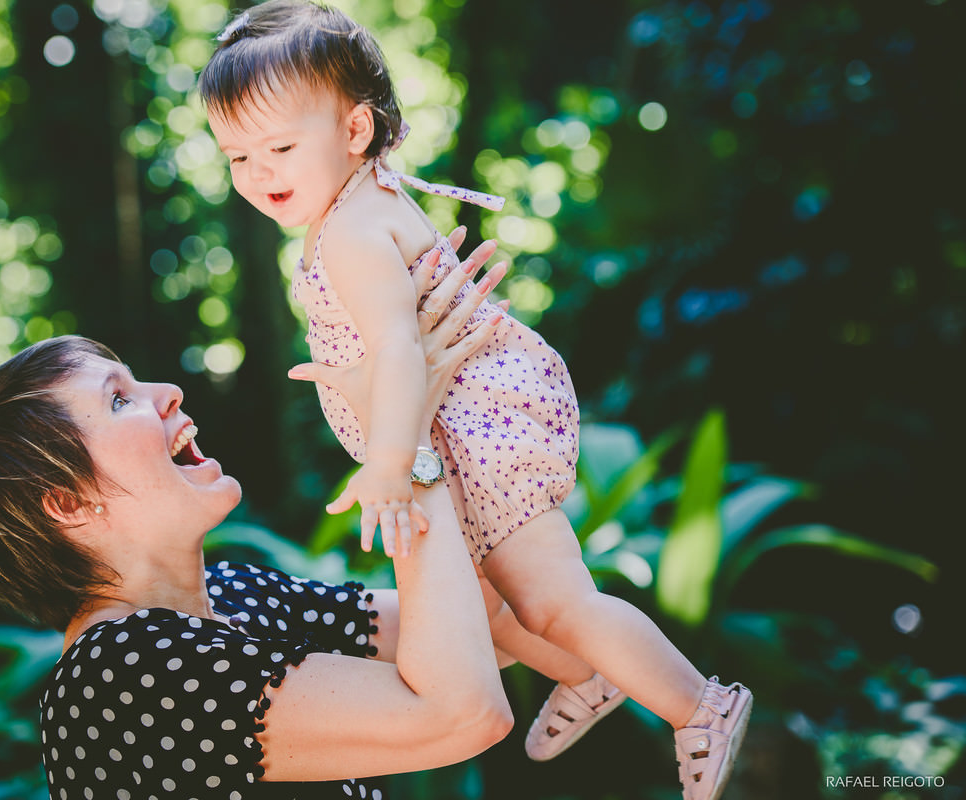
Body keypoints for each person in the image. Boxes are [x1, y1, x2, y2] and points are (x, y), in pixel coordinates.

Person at [198, 3, 752, 799]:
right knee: (494, 611)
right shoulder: (355, 204)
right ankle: (588, 677)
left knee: (557, 598)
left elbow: (395, 348)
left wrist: (390, 465)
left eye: (279, 146)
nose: (259, 172)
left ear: (354, 131)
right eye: (237, 156)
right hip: (468, 429)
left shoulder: (352, 233)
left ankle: (700, 705)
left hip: (476, 437)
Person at [0, 242, 516, 799]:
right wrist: (402, 444)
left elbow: (489, 622)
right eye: (118, 400)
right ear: (68, 502)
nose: (168, 392)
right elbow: (459, 714)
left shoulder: (238, 594)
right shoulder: (115, 677)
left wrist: (438, 390)